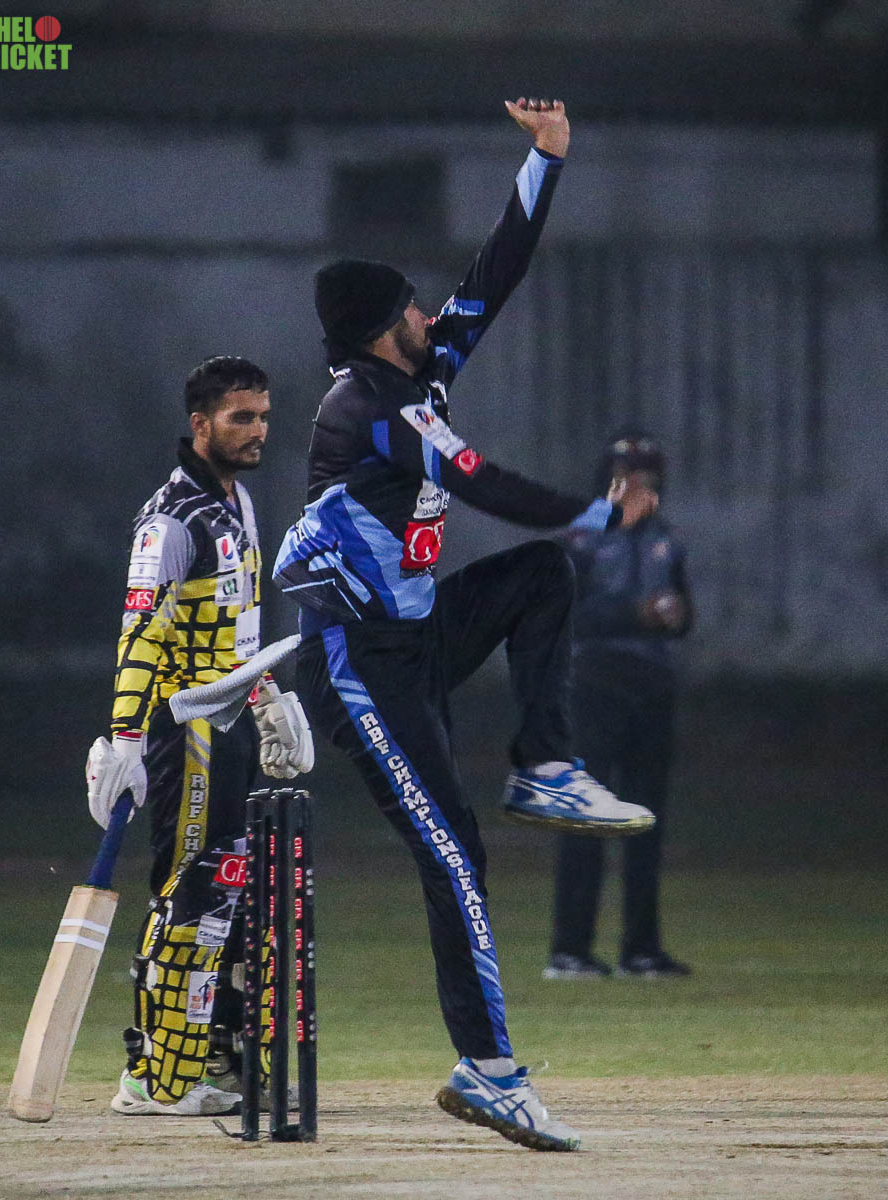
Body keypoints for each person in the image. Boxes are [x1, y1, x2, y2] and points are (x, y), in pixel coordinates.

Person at [273, 99, 658, 1152]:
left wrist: (545, 161)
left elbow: (495, 275)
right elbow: (477, 477)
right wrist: (593, 514)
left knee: (539, 578)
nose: (426, 312)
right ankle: (488, 1073)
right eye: (409, 305)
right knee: (452, 856)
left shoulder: (418, 370)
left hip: (419, 634)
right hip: (358, 666)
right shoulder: (368, 408)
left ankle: (544, 765)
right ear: (378, 327)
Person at [85, 356, 313, 1116]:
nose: (258, 431)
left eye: (264, 416)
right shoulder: (171, 519)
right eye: (241, 417)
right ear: (200, 424)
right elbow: (140, 634)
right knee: (190, 893)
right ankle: (155, 1078)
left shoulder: (237, 502)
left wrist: (268, 696)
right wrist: (124, 737)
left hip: (232, 723)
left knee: (227, 894)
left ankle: (204, 1062)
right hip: (184, 731)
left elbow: (235, 628)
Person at [544, 432, 693, 981]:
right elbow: (567, 618)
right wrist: (637, 613)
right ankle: (569, 951)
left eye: (649, 478)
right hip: (593, 685)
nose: (640, 488)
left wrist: (676, 615)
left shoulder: (667, 541)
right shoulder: (581, 541)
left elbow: (684, 614)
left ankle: (641, 950)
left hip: (650, 686)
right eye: (629, 477)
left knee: (646, 820)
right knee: (586, 818)